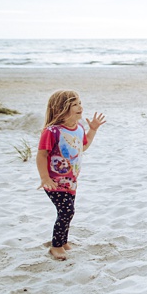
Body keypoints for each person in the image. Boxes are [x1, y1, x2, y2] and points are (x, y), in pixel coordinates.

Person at [36, 90, 106, 261]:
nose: (80, 106)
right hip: (54, 181)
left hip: (71, 181)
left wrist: (93, 130)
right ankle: (56, 246)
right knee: (66, 211)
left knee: (67, 212)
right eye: (74, 104)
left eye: (80, 103)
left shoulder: (79, 128)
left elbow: (84, 146)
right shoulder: (52, 131)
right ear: (61, 108)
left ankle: (63, 241)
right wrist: (45, 178)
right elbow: (41, 155)